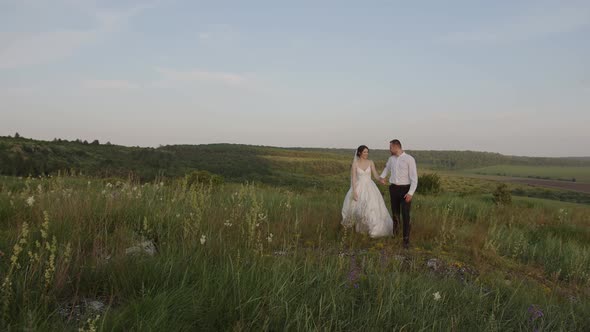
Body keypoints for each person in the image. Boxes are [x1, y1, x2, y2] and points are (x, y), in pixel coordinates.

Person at [341, 145, 393, 238]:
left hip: (370, 187)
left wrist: (381, 180)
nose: (366, 154)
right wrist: (354, 191)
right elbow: (353, 178)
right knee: (359, 208)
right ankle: (362, 229)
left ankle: (374, 230)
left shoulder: (370, 162)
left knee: (372, 207)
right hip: (359, 187)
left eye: (367, 152)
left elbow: (376, 175)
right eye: (364, 152)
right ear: (360, 153)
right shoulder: (355, 164)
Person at [379, 139, 418, 249]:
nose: (389, 149)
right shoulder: (391, 159)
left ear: (396, 147)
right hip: (393, 189)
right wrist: (382, 177)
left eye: (390, 147)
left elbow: (414, 178)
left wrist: (410, 193)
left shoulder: (409, 159)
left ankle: (406, 240)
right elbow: (387, 168)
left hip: (405, 189)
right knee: (395, 214)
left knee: (405, 215)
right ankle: (395, 235)